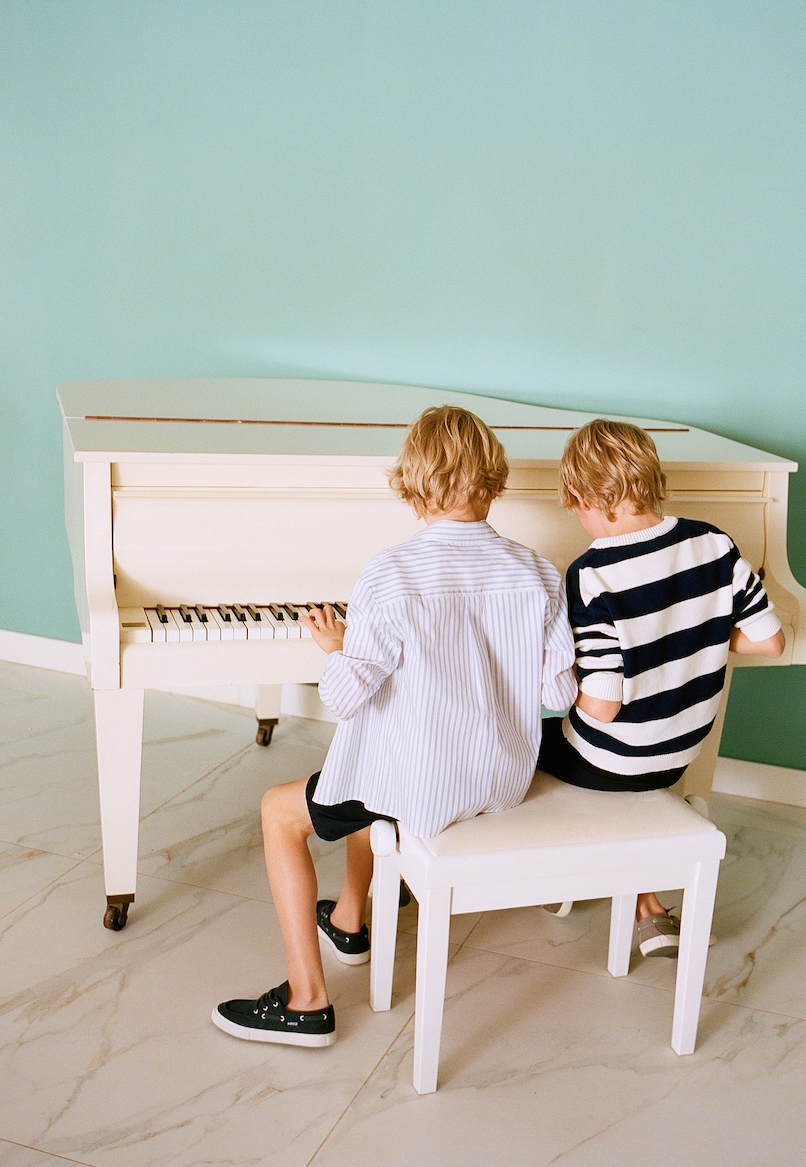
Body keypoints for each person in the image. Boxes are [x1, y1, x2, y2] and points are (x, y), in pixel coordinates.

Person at [213, 405, 577, 1047]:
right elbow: (557, 691)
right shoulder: (537, 570)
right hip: (503, 779)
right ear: (493, 478)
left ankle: (306, 999)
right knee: (375, 758)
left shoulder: (392, 572)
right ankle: (351, 919)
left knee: (283, 808)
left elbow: (348, 698)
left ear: (414, 480)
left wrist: (337, 647)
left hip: (426, 788)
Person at [537, 418, 785, 958]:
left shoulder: (590, 573)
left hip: (613, 761)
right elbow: (771, 643)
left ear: (581, 495)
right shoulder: (714, 543)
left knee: (518, 737)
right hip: (679, 754)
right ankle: (646, 908)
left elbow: (601, 708)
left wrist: (554, 681)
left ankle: (525, 869)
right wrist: (700, 634)